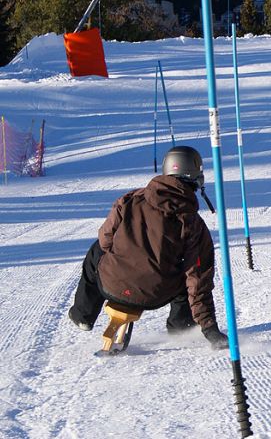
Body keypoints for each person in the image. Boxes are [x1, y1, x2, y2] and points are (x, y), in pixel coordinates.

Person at [68, 145, 228, 350]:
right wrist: (209, 327)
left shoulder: (130, 200)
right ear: (197, 178)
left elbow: (105, 239)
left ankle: (83, 314)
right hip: (155, 294)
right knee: (186, 275)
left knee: (96, 251)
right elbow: (198, 280)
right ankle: (181, 327)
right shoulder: (193, 224)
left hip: (110, 283)